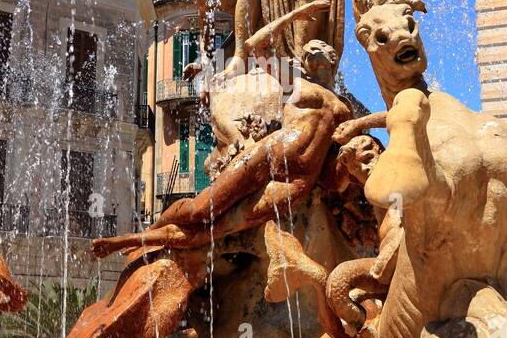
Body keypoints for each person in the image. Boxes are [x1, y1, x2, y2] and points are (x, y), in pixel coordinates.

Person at [92, 39, 351, 258]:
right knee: (202, 209)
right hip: (265, 153)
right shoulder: (297, 83)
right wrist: (298, 14)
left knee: (218, 229)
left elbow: (337, 168)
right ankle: (146, 232)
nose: (309, 56)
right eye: (306, 54)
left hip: (297, 181)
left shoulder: (345, 106)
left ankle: (133, 242)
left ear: (332, 58)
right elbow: (254, 45)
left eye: (316, 51)